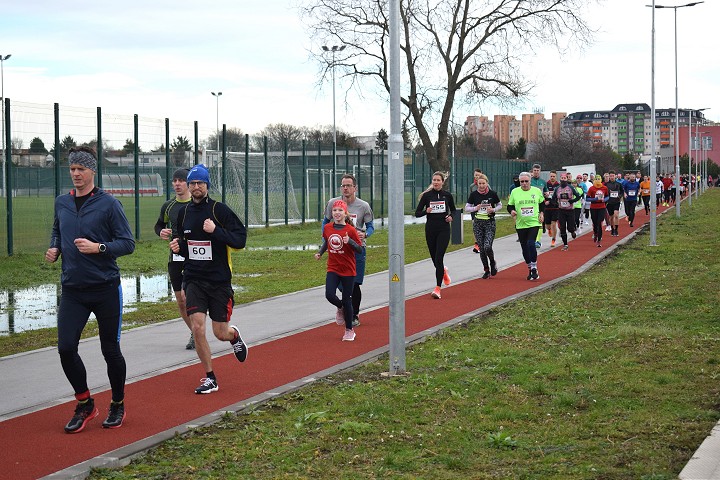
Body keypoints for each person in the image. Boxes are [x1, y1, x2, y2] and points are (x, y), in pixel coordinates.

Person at [45, 146, 135, 433]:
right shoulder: (62, 202)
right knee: (65, 347)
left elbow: (127, 243)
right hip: (73, 289)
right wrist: (55, 246)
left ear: (92, 171)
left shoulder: (109, 204)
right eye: (72, 169)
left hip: (105, 287)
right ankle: (85, 404)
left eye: (81, 169)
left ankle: (117, 404)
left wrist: (100, 248)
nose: (75, 174)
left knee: (110, 349)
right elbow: (58, 229)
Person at [169, 164, 249, 394]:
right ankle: (210, 377)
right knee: (197, 327)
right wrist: (178, 247)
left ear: (207, 185)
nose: (195, 187)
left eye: (200, 183)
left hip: (219, 281)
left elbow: (240, 240)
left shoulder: (219, 211)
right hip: (193, 278)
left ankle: (234, 337)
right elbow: (188, 247)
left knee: (219, 333)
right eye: (192, 183)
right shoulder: (183, 213)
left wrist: (216, 231)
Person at [322, 174, 374, 327]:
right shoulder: (333, 203)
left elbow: (371, 226)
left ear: (355, 188)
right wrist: (325, 239)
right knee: (340, 283)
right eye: (343, 185)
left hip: (356, 248)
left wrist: (365, 234)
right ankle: (344, 307)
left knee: (354, 284)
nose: (345, 188)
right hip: (338, 249)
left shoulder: (363, 206)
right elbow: (325, 222)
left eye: (348, 185)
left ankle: (354, 314)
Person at [154, 168, 195, 350]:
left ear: (189, 183)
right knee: (180, 301)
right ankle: (195, 331)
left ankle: (198, 328)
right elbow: (159, 225)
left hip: (195, 257)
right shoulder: (168, 206)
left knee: (192, 296)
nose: (177, 184)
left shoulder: (197, 204)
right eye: (175, 180)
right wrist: (161, 231)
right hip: (176, 257)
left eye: (181, 180)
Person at [315, 200, 363, 341]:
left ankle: (349, 330)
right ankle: (340, 307)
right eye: (335, 210)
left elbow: (359, 249)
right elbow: (326, 241)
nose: (337, 213)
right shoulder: (328, 228)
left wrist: (350, 242)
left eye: (340, 211)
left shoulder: (351, 230)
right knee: (330, 294)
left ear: (345, 213)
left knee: (348, 299)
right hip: (333, 268)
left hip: (348, 270)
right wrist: (320, 253)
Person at [415, 171, 456, 299]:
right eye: (434, 180)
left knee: (439, 257)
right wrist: (426, 211)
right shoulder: (427, 196)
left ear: (442, 182)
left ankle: (438, 288)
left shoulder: (447, 195)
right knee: (434, 259)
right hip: (431, 230)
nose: (436, 182)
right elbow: (417, 213)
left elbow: (454, 210)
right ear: (432, 181)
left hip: (443, 229)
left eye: (438, 180)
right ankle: (443, 270)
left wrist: (451, 217)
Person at [507, 172, 544, 280]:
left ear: (530, 181)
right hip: (521, 223)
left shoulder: (536, 191)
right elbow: (510, 206)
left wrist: (541, 213)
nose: (524, 183)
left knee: (531, 243)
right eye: (522, 181)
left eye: (526, 181)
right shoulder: (515, 192)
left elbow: (541, 203)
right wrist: (512, 211)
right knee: (524, 247)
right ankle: (530, 267)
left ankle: (534, 267)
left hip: (534, 222)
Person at [464, 173, 502, 278]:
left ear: (487, 183)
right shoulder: (474, 195)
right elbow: (467, 208)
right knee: (481, 248)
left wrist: (493, 210)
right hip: (478, 224)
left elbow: (500, 205)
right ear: (477, 184)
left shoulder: (492, 194)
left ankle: (493, 263)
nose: (481, 186)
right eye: (479, 183)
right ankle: (486, 269)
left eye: (483, 183)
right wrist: (475, 208)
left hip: (489, 223)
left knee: (487, 246)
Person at [551, 172, 582, 251]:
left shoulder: (571, 187)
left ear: (567, 179)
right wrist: (556, 203)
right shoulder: (557, 188)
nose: (563, 180)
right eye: (562, 178)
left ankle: (572, 231)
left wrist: (572, 201)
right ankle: (565, 244)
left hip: (570, 210)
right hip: (561, 210)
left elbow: (578, 196)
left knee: (570, 227)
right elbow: (553, 198)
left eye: (565, 178)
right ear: (560, 179)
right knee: (562, 227)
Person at [587, 175, 609, 247]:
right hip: (593, 207)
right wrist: (594, 199)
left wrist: (604, 200)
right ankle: (595, 233)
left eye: (598, 179)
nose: (597, 180)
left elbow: (607, 196)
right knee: (595, 223)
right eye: (596, 179)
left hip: (601, 207)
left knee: (600, 223)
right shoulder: (591, 188)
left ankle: (599, 240)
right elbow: (587, 198)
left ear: (601, 180)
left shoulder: (604, 188)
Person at [530, 164, 548, 248]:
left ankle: (537, 240)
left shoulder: (543, 182)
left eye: (537, 171)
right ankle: (532, 239)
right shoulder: (529, 181)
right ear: (532, 171)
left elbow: (546, 192)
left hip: (540, 203)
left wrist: (547, 195)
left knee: (540, 221)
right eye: (534, 171)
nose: (536, 172)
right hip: (530, 204)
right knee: (532, 222)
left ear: (540, 171)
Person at [605, 170, 624, 237]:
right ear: (609, 177)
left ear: (615, 176)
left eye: (613, 176)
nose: (612, 177)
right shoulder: (606, 184)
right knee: (611, 217)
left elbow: (622, 191)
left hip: (616, 201)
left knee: (616, 215)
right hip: (609, 202)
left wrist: (620, 196)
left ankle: (616, 229)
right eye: (610, 176)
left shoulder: (619, 184)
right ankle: (612, 229)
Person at [543, 170, 560, 247]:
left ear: (556, 177)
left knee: (554, 224)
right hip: (547, 207)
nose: (552, 178)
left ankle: (553, 239)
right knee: (548, 225)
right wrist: (545, 200)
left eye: (553, 176)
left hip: (555, 207)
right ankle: (549, 230)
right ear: (549, 176)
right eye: (551, 176)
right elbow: (541, 194)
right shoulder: (546, 184)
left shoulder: (558, 185)